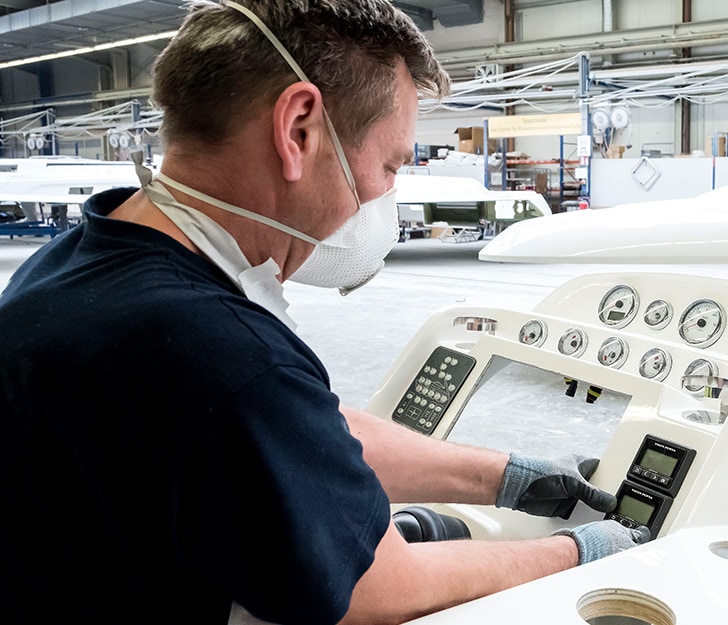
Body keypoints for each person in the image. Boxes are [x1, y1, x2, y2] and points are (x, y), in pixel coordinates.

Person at [0, 2, 646, 624]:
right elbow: (376, 587)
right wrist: (580, 554)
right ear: (299, 129)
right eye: (390, 163)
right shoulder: (223, 354)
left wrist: (508, 478)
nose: (386, 193)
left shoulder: (84, 257)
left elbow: (295, 434)